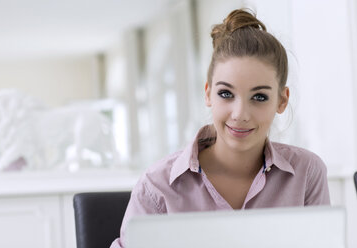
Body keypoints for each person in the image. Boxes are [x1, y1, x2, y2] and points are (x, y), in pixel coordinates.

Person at [110, 8, 330, 248]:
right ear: (208, 94)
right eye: (226, 94)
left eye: (259, 97)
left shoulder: (307, 173)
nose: (240, 114)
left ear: (281, 100)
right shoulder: (157, 186)